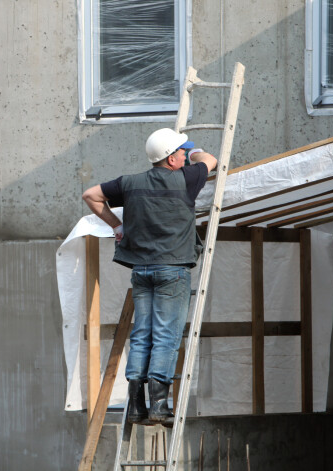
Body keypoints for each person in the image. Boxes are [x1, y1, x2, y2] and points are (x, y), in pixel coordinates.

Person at [82, 128, 217, 424]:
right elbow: (210, 159)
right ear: (170, 159)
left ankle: (136, 406)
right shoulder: (187, 178)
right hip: (173, 270)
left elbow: (91, 195)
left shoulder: (129, 183)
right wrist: (194, 154)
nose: (185, 155)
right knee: (166, 335)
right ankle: (159, 406)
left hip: (141, 271)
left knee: (142, 334)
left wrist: (117, 226)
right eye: (181, 152)